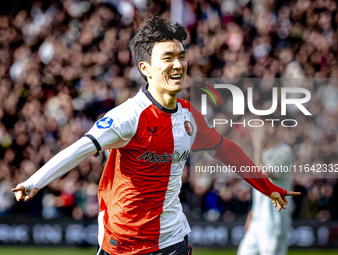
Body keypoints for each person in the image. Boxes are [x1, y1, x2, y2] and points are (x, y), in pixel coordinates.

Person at [12, 15, 299, 255]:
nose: (178, 64)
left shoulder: (189, 117)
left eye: (181, 56)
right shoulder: (128, 116)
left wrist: (266, 186)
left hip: (172, 239)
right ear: (145, 68)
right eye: (168, 57)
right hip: (122, 242)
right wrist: (35, 181)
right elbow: (79, 149)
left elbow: (226, 150)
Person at [237, 123, 294, 255]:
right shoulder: (263, 153)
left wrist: (258, 147)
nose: (254, 133)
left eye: (258, 128)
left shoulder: (284, 151)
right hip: (257, 223)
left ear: (271, 128)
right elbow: (259, 190)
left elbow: (263, 175)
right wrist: (252, 213)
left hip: (274, 222)